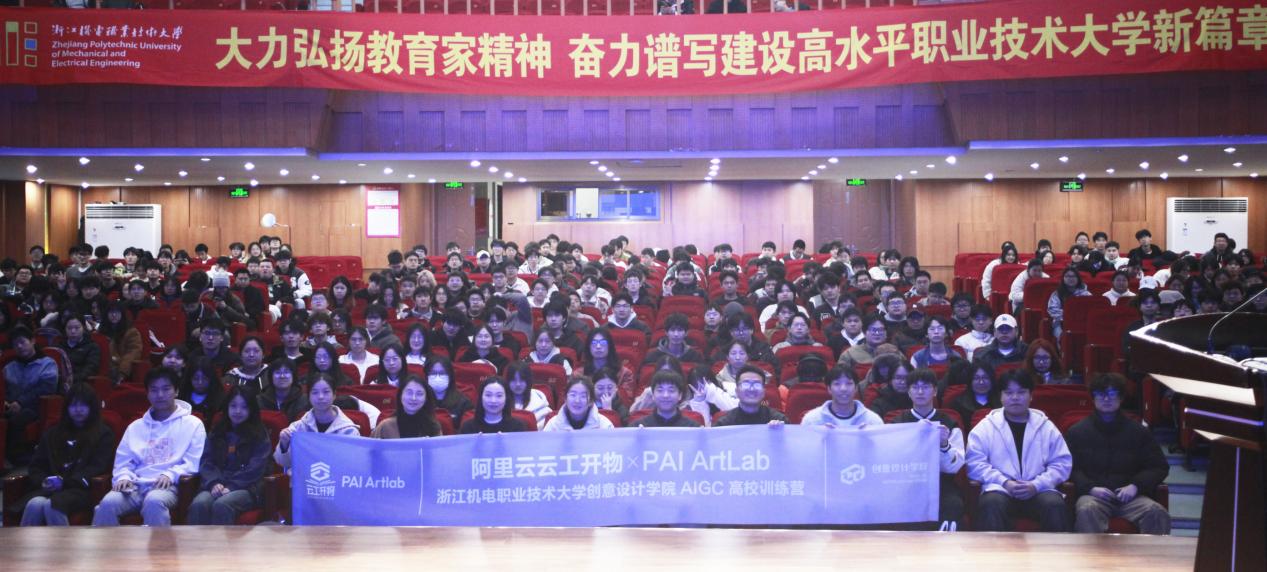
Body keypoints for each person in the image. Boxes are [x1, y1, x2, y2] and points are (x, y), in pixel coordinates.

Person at [93, 368, 206, 527]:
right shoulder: (136, 426)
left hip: (169, 486)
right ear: (147, 394)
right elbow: (123, 461)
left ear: (176, 391)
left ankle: (158, 545)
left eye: (166, 389)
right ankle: (110, 544)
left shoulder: (193, 424)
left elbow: (193, 462)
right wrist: (123, 476)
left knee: (154, 501)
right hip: (134, 486)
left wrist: (170, 474)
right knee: (107, 503)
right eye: (154, 390)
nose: (160, 395)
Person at [966, 370, 1072, 532]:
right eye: (1009, 393)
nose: (1015, 397)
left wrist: (1036, 485)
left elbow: (1061, 463)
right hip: (1000, 488)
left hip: (1039, 490)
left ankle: (1055, 550)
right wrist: (1005, 482)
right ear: (1001, 397)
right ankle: (991, 550)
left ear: (1031, 396)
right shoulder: (986, 427)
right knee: (991, 503)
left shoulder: (1046, 426)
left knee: (1054, 504)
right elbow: (975, 464)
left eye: (1021, 392)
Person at [1066, 373, 1171, 534]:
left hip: (1132, 497)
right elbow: (1070, 468)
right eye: (1100, 394)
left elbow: (1158, 467)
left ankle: (1151, 552)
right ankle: (1091, 552)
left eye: (1112, 393)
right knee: (1087, 509)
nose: (1106, 399)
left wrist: (1136, 486)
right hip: (1094, 496)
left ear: (1121, 398)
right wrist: (1090, 488)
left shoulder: (1138, 432)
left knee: (1156, 512)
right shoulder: (1077, 432)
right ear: (1093, 398)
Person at [16, 384, 115, 526]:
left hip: (80, 489)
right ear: (67, 408)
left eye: (83, 405)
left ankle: (65, 541)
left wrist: (65, 482)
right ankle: (23, 541)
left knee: (53, 505)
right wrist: (44, 481)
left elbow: (97, 467)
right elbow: (36, 465)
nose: (78, 410)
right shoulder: (53, 433)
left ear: (92, 407)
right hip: (50, 489)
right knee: (34, 504)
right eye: (73, 405)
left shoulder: (103, 434)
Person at [891, 369, 966, 530]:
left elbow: (954, 467)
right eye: (915, 387)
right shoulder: (897, 423)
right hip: (906, 482)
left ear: (935, 391)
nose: (920, 392)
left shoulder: (950, 423)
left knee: (954, 504)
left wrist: (944, 445)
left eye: (925, 387)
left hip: (941, 482)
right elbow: (892, 459)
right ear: (908, 392)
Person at [187, 386, 270, 525]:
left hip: (247, 487)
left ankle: (221, 541)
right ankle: (196, 540)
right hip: (217, 483)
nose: (238, 411)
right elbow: (206, 461)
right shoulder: (218, 430)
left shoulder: (260, 434)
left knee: (222, 504)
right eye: (233, 406)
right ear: (227, 407)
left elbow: (255, 469)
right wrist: (214, 483)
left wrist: (231, 486)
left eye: (244, 407)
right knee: (199, 504)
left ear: (251, 409)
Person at [273, 375, 361, 471]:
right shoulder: (298, 428)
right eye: (315, 392)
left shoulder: (349, 431)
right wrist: (284, 445)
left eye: (326, 392)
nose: (320, 397)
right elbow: (282, 462)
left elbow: (353, 466)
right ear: (309, 396)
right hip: (304, 479)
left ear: (334, 395)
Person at [4, 327, 60, 462]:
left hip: (35, 406)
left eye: (22, 342)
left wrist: (21, 402)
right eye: (15, 344)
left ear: (33, 341)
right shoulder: (9, 367)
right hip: (10, 406)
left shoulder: (47, 363)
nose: (19, 346)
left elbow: (46, 388)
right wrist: (6, 402)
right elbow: (4, 389)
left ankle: (14, 456)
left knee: (19, 418)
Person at [799, 365, 884, 428]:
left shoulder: (873, 420)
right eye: (837, 384)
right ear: (829, 389)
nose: (843, 389)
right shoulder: (812, 420)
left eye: (849, 383)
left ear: (856, 388)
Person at [714, 365, 787, 426]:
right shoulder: (724, 424)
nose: (751, 389)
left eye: (757, 384)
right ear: (737, 391)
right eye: (746, 384)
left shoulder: (778, 420)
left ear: (764, 392)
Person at [372, 375, 443, 438]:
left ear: (426, 399)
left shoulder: (433, 427)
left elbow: (439, 449)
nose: (413, 398)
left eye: (419, 394)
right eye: (409, 392)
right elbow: (371, 448)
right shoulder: (385, 426)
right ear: (400, 395)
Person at [543, 376, 616, 431]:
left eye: (583, 396)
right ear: (565, 398)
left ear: (591, 401)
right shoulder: (553, 425)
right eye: (573, 395)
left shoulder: (604, 425)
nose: (577, 400)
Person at [459, 376, 528, 434]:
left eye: (499, 396)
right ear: (481, 397)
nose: (493, 401)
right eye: (488, 395)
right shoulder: (468, 427)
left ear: (506, 398)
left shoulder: (517, 427)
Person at [632, 371, 700, 427]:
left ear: (680, 395)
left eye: (671, 390)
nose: (665, 395)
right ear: (653, 395)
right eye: (660, 390)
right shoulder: (638, 427)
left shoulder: (692, 427)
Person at [100, 302, 143, 384]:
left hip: (121, 368)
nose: (114, 315)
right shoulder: (101, 331)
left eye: (117, 312)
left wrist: (122, 371)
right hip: (104, 367)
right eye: (111, 312)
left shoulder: (131, 332)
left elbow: (133, 352)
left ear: (122, 314)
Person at [946, 361, 999, 428]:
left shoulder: (1001, 401)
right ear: (970, 380)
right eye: (976, 378)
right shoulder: (958, 404)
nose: (981, 382)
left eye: (985, 377)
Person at [426, 357, 473, 431]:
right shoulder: (421, 401)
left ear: (450, 376)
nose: (437, 377)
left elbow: (466, 431)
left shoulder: (464, 403)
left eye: (442, 373)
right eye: (433, 373)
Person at [1047, 266, 1091, 340]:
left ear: (1078, 278)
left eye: (1074, 276)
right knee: (1062, 337)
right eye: (1067, 276)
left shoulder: (1086, 294)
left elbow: (1090, 309)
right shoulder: (1057, 294)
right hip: (1061, 322)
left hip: (1082, 323)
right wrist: (1070, 316)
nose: (1071, 279)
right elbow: (1053, 309)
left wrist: (1078, 318)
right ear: (1063, 278)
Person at [179, 361, 227, 425]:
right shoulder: (183, 396)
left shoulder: (219, 399)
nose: (200, 382)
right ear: (189, 378)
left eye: (205, 378)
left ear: (211, 378)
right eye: (196, 378)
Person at [505, 362, 551, 429]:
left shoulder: (540, 404)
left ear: (528, 380)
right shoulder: (500, 401)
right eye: (514, 380)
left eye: (522, 380)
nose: (518, 384)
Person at [59, 314, 100, 385]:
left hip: (81, 383)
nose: (73, 331)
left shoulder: (92, 346)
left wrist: (74, 378)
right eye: (69, 328)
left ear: (83, 328)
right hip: (60, 382)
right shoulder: (59, 346)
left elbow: (91, 368)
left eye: (77, 328)